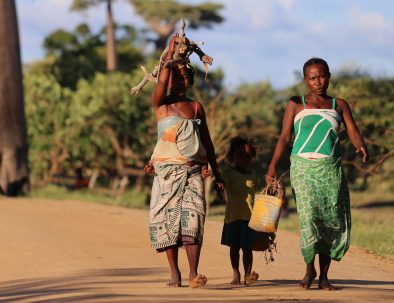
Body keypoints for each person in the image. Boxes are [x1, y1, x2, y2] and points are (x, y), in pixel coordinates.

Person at [266, 58, 369, 291]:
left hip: (330, 169)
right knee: (310, 217)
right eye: (312, 78)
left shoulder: (339, 104)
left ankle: (323, 276)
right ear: (306, 80)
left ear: (329, 76)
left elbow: (352, 130)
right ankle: (308, 268)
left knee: (329, 221)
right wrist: (272, 166)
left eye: (321, 76)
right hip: (302, 168)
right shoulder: (296, 104)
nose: (318, 82)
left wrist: (360, 145)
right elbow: (284, 137)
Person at [146, 35, 224, 288]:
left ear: (191, 80)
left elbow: (207, 142)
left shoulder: (196, 108)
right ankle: (174, 273)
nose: (182, 80)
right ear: (169, 78)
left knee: (194, 220)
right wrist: (170, 53)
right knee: (168, 223)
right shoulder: (162, 106)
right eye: (176, 76)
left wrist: (217, 171)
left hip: (193, 171)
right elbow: (161, 83)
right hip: (167, 174)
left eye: (186, 76)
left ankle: (193, 272)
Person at [221, 136, 260, 286]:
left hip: (249, 219)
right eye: (240, 155)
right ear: (232, 157)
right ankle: (236, 272)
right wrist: (219, 186)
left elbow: (258, 193)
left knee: (247, 248)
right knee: (234, 248)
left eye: (248, 155)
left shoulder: (253, 176)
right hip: (232, 218)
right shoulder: (228, 173)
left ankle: (248, 274)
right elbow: (222, 185)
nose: (244, 158)